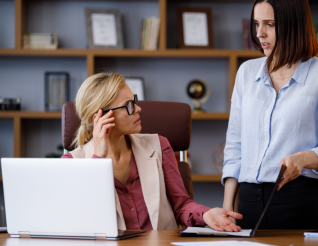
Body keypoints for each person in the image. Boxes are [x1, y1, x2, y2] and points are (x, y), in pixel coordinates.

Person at [221, 0, 318, 230]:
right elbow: (235, 144)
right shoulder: (246, 73)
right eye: (257, 23)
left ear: (293, 24)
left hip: (299, 202)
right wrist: (228, 207)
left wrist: (301, 159)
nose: (260, 33)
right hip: (247, 204)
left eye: (269, 24)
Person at [62, 72, 242, 231]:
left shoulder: (159, 145)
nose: (139, 108)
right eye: (129, 105)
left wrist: (206, 215)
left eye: (135, 101)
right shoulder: (72, 163)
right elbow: (82, 222)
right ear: (101, 117)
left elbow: (181, 206)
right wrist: (98, 159)